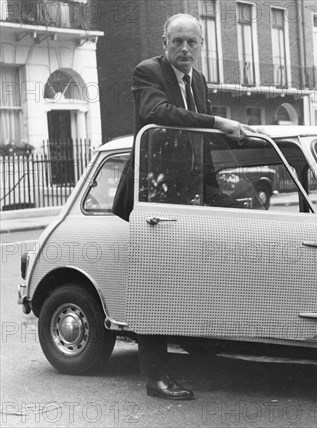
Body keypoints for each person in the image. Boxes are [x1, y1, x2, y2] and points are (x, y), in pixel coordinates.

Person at [112, 13, 249, 401]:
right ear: (164, 43)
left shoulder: (199, 81)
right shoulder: (148, 73)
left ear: (201, 45)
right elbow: (161, 115)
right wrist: (219, 121)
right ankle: (155, 377)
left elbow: (198, 143)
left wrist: (218, 191)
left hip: (188, 195)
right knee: (155, 285)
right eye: (178, 42)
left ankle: (194, 354)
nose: (185, 49)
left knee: (186, 280)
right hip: (153, 196)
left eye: (192, 42)